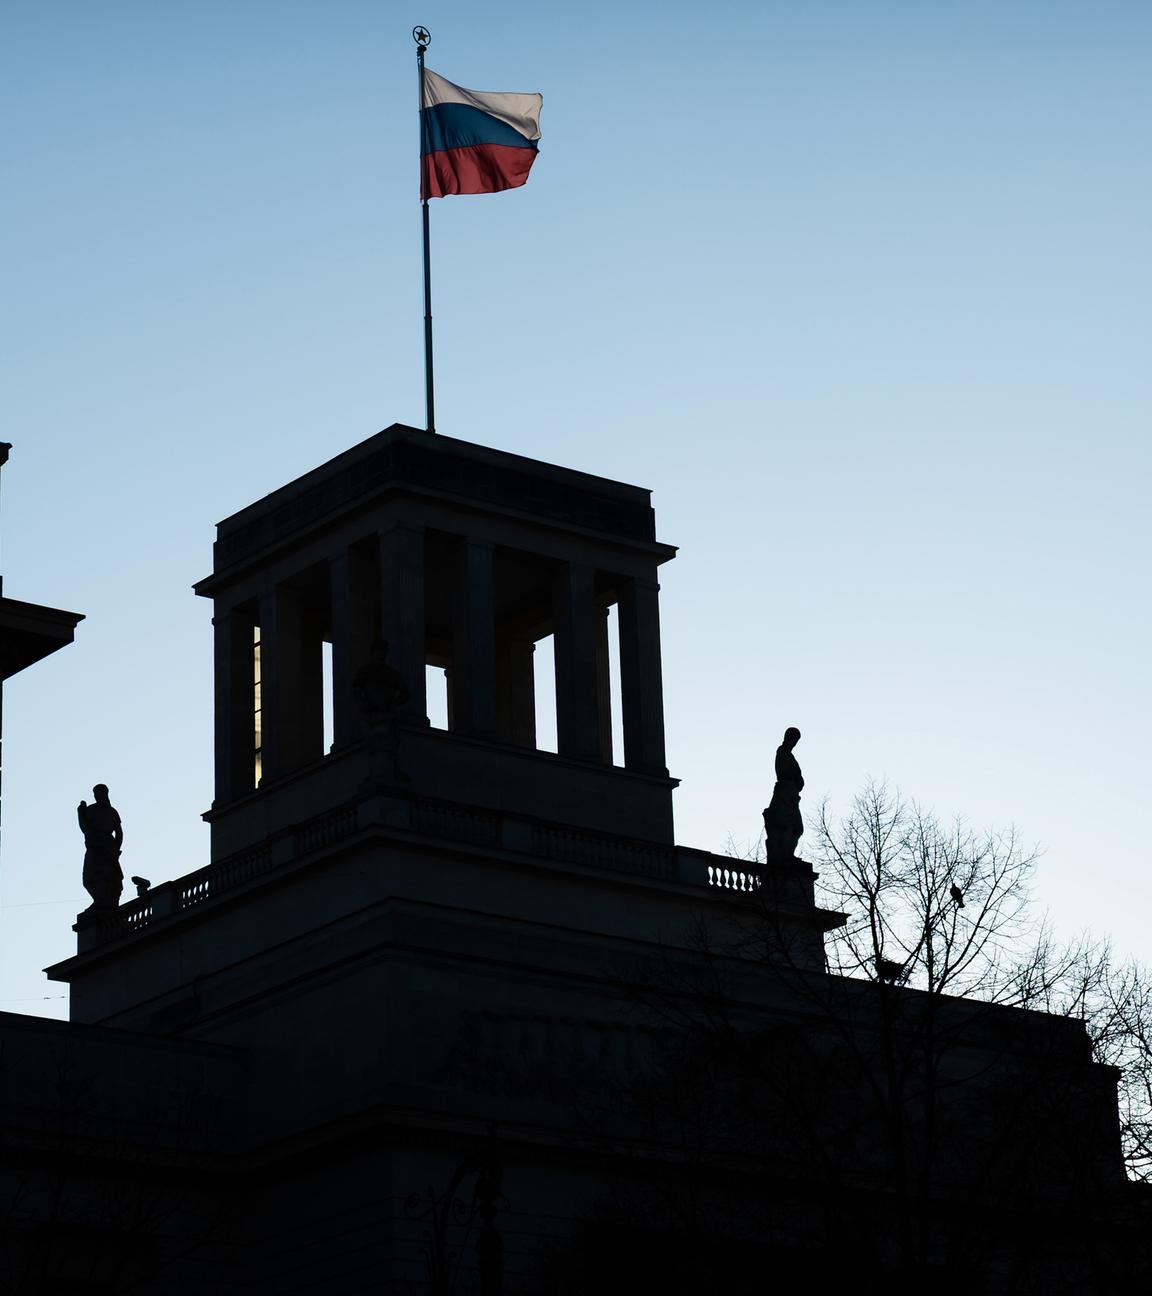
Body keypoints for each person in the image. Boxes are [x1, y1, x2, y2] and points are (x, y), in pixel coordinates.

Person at [78, 784, 124, 911]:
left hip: (107, 846)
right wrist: (80, 813)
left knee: (108, 876)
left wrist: (116, 848)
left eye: (100, 793)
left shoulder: (112, 811)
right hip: (95, 846)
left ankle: (104, 902)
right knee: (89, 877)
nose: (97, 796)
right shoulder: (91, 809)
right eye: (96, 793)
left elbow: (119, 833)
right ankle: (99, 901)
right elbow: (85, 829)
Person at [763, 727, 804, 865]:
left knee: (797, 828)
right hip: (785, 794)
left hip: (791, 796)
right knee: (787, 826)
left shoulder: (789, 755)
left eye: (796, 740)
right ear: (788, 737)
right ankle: (786, 857)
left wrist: (799, 781)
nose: (795, 743)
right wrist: (797, 779)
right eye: (794, 739)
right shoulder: (782, 752)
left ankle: (788, 856)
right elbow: (786, 773)